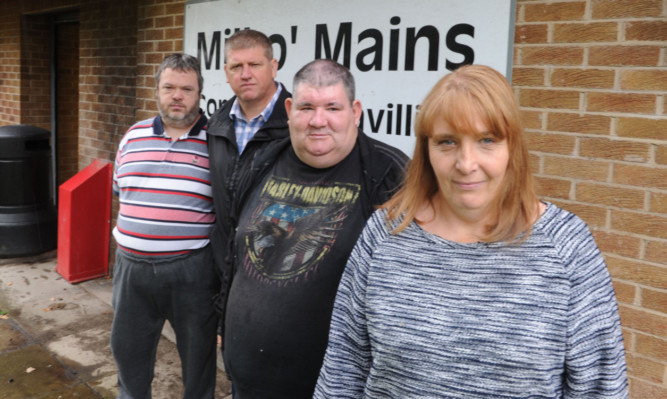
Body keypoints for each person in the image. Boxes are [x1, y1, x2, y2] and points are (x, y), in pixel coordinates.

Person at [314, 64, 628, 398]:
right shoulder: (384, 234)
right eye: (447, 142)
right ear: (426, 149)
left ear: (512, 148)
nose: (466, 163)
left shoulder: (567, 246)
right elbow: (343, 370)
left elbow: (601, 386)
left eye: (486, 140)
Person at [221, 58, 408, 398]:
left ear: (355, 111)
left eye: (332, 107)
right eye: (306, 107)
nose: (318, 121)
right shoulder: (260, 161)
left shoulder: (390, 175)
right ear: (289, 110)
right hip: (245, 382)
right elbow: (234, 251)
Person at [110, 54, 219, 399]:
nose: (177, 95)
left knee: (198, 359)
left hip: (191, 272)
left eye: (186, 88)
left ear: (199, 93)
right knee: (129, 356)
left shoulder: (217, 141)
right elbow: (120, 191)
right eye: (169, 87)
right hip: (131, 269)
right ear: (156, 90)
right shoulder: (133, 135)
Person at [206, 29, 291, 324]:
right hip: (226, 270)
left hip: (281, 274)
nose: (245, 74)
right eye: (236, 67)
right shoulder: (217, 124)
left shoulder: (300, 123)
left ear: (274, 66)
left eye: (254, 65)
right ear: (225, 72)